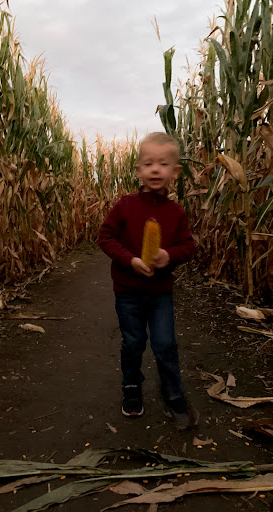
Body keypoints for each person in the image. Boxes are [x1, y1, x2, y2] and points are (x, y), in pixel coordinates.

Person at [98, 132, 196, 430]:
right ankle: (131, 386)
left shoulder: (176, 212)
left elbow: (188, 246)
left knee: (166, 344)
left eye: (163, 164)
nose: (156, 169)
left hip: (160, 293)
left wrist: (169, 255)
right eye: (149, 163)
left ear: (175, 172)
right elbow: (105, 237)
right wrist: (130, 260)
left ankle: (172, 391)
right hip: (128, 292)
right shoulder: (125, 206)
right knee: (133, 343)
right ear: (138, 170)